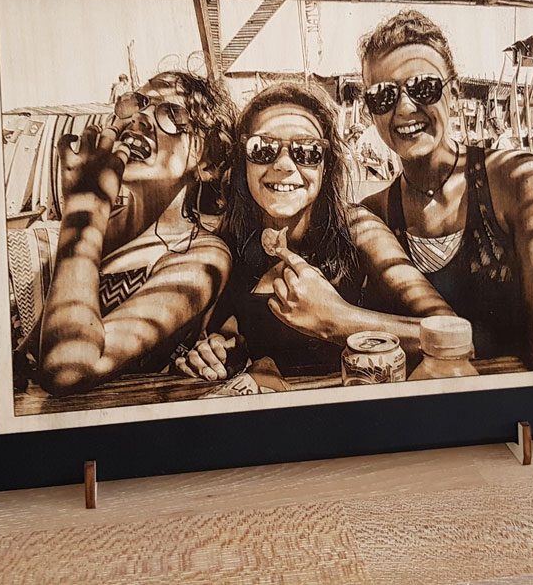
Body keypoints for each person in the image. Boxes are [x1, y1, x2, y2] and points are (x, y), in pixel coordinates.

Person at [175, 82, 453, 381]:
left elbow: (454, 334)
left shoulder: (358, 228)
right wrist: (216, 351)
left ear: (326, 166)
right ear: (244, 163)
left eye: (307, 151)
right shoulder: (231, 239)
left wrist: (338, 319)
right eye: (262, 148)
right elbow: (228, 333)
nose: (283, 165)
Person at [357, 10, 533, 362]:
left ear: (453, 93)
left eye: (423, 88)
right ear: (370, 111)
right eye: (383, 95)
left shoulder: (516, 182)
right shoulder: (375, 214)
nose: (405, 108)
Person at [36, 71, 237, 395]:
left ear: (208, 163)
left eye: (171, 113)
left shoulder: (201, 255)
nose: (140, 118)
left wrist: (82, 214)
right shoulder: (107, 228)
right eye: (139, 103)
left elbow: (70, 367)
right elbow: (31, 354)